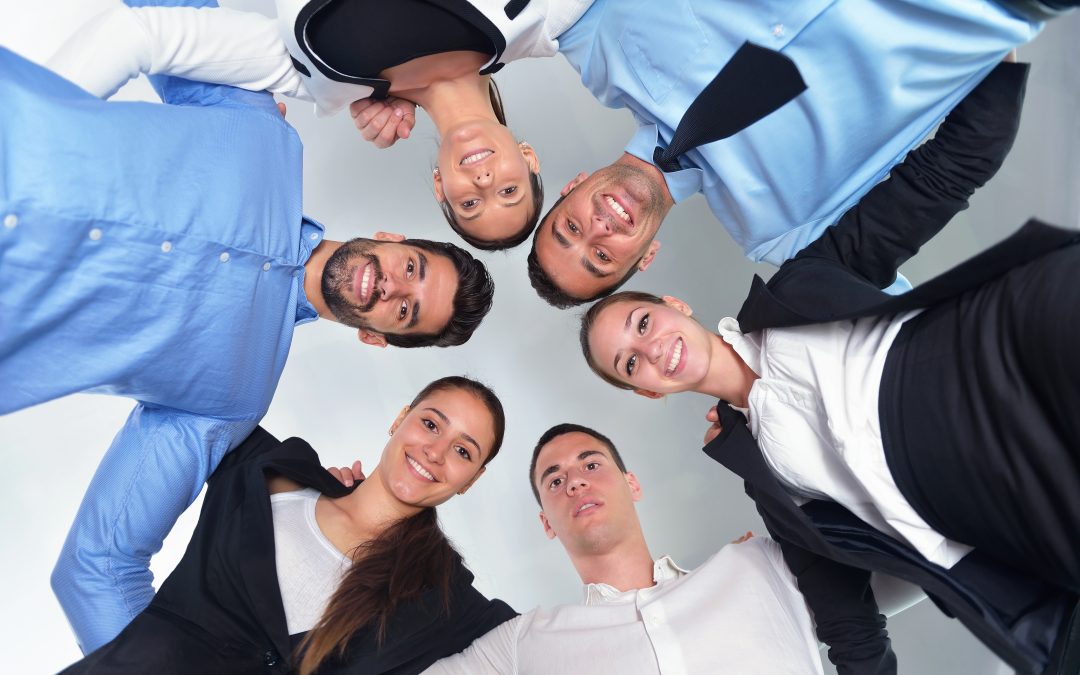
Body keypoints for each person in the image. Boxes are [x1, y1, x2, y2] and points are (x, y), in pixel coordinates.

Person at [579, 61, 1080, 674]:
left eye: (642, 325)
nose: (651, 351)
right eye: (630, 364)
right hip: (1012, 518)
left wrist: (1000, 47)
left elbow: (933, 183)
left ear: (673, 306)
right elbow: (848, 623)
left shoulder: (805, 284)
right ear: (647, 392)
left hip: (1022, 364)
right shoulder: (765, 477)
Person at [0, 36, 495, 652]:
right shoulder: (264, 134)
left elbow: (98, 568)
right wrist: (362, 72)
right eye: (414, 269)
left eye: (406, 312)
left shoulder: (234, 397)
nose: (394, 286)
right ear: (392, 237)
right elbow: (179, 19)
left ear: (376, 337)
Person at [523, 0, 1078, 307]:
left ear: (572, 186)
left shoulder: (590, 41)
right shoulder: (791, 235)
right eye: (601, 258)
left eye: (569, 230)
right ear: (644, 258)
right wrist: (987, 30)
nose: (597, 231)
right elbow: (950, 174)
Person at [47, 0, 596, 249]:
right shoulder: (539, 19)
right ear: (528, 156)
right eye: (508, 189)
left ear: (440, 189)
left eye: (471, 203)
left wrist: (27, 139)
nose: (482, 183)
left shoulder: (327, 83)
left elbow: (140, 36)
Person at [59, 376, 517, 675]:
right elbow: (187, 380)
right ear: (400, 419)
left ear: (471, 481)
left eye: (463, 451)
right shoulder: (264, 466)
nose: (436, 452)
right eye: (431, 424)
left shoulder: (447, 599)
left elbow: (554, 647)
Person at [426, 424, 926, 674]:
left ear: (632, 484)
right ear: (546, 524)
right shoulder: (522, 646)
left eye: (591, 464)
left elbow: (914, 566)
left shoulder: (757, 565)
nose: (574, 481)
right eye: (554, 480)